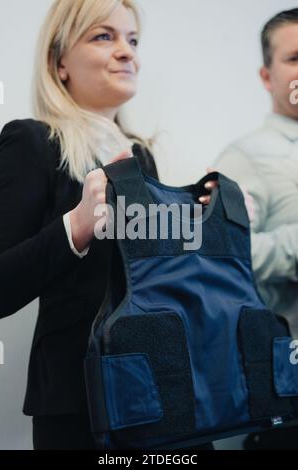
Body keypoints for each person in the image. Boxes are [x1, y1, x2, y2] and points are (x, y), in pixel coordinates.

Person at [0, 0, 216, 451]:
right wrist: (73, 228)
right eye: (104, 36)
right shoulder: (32, 142)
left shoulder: (142, 157)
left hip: (162, 389)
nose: (127, 52)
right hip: (81, 405)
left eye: (132, 40)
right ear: (60, 63)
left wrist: (207, 225)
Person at [213, 8, 298, 450]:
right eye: (295, 58)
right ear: (267, 76)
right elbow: (219, 257)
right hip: (288, 393)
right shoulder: (244, 157)